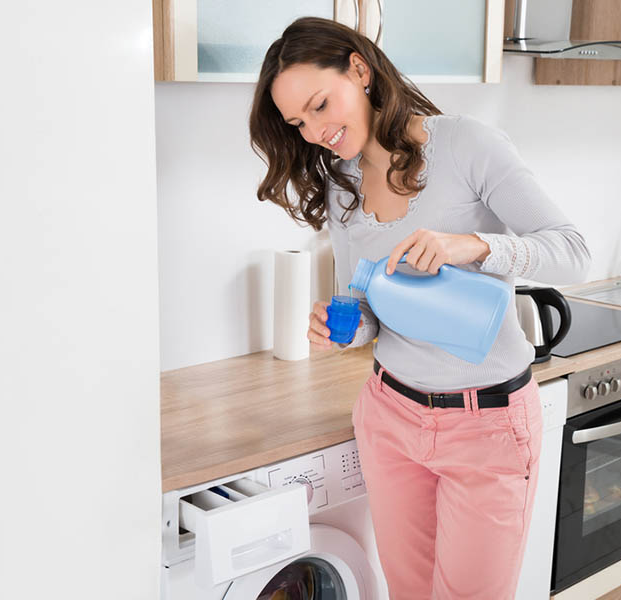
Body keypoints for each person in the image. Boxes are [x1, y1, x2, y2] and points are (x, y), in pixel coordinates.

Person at [250, 17, 590, 600]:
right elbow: (369, 306)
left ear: (359, 70)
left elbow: (573, 253)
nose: (314, 131)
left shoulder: (468, 145)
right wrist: (346, 326)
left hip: (488, 425)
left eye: (320, 105)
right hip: (389, 418)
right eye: (299, 122)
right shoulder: (342, 185)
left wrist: (476, 247)